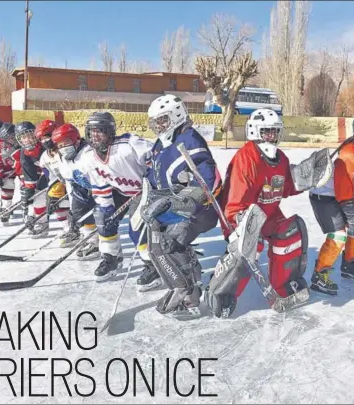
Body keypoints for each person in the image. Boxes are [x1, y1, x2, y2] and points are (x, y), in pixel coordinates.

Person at [203, 108, 331, 318]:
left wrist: (305, 177)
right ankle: (221, 293)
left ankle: (284, 285)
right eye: (267, 131)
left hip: (268, 214)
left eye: (274, 131)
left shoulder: (280, 158)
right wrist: (239, 226)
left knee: (292, 231)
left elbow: (286, 186)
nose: (272, 136)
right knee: (252, 242)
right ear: (254, 132)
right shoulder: (246, 159)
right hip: (240, 216)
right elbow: (234, 203)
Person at [136, 94, 220, 318]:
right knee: (155, 240)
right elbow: (153, 174)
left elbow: (207, 182)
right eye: (155, 121)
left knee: (170, 241)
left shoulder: (190, 140)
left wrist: (177, 200)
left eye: (162, 120)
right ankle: (185, 275)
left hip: (198, 208)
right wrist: (148, 195)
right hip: (171, 205)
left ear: (177, 116)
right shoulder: (161, 142)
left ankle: (188, 295)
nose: (158, 126)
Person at [307, 112, 354, 296]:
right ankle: (320, 274)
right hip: (325, 196)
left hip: (348, 195)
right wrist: (352, 214)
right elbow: (342, 189)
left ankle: (349, 264)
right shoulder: (349, 153)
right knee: (339, 235)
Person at [83, 112, 153, 281]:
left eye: (100, 130)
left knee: (136, 228)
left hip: (146, 191)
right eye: (92, 131)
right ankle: (111, 257)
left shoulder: (129, 145)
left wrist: (150, 181)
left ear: (110, 132)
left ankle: (152, 264)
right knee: (102, 216)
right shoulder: (87, 156)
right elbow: (100, 186)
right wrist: (107, 208)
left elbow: (157, 158)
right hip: (121, 192)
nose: (96, 135)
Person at [49, 123, 98, 259]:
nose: (63, 147)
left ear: (75, 138)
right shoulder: (61, 157)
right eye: (60, 145)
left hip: (104, 189)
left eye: (66, 142)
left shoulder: (89, 153)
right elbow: (69, 179)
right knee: (79, 211)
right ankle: (92, 241)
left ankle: (107, 249)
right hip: (81, 188)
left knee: (104, 218)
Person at [15, 121, 69, 238]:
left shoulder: (46, 146)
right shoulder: (24, 153)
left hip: (64, 177)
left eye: (29, 136)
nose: (27, 140)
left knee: (58, 199)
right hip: (49, 176)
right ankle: (42, 222)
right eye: (23, 138)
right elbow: (30, 177)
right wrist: (30, 208)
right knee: (37, 196)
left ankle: (71, 225)